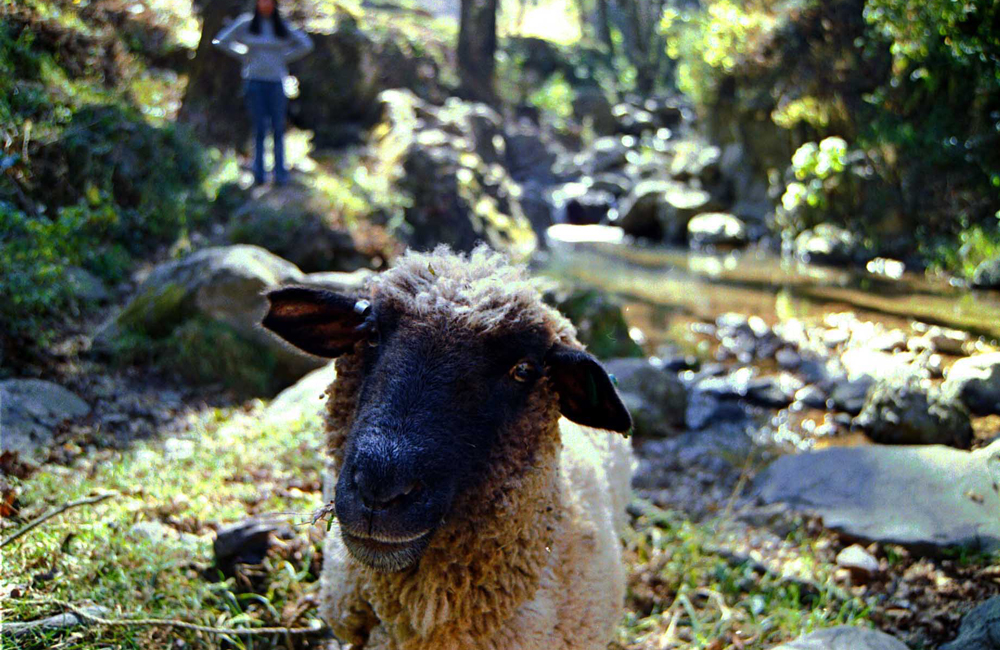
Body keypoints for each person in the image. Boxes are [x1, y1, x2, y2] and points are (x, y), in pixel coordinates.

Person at [213, 0, 313, 186]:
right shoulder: (247, 23)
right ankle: (258, 175)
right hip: (254, 83)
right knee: (259, 130)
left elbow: (306, 44)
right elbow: (221, 40)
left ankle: (280, 176)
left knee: (278, 129)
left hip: (276, 84)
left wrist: (283, 57)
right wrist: (244, 55)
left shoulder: (281, 26)